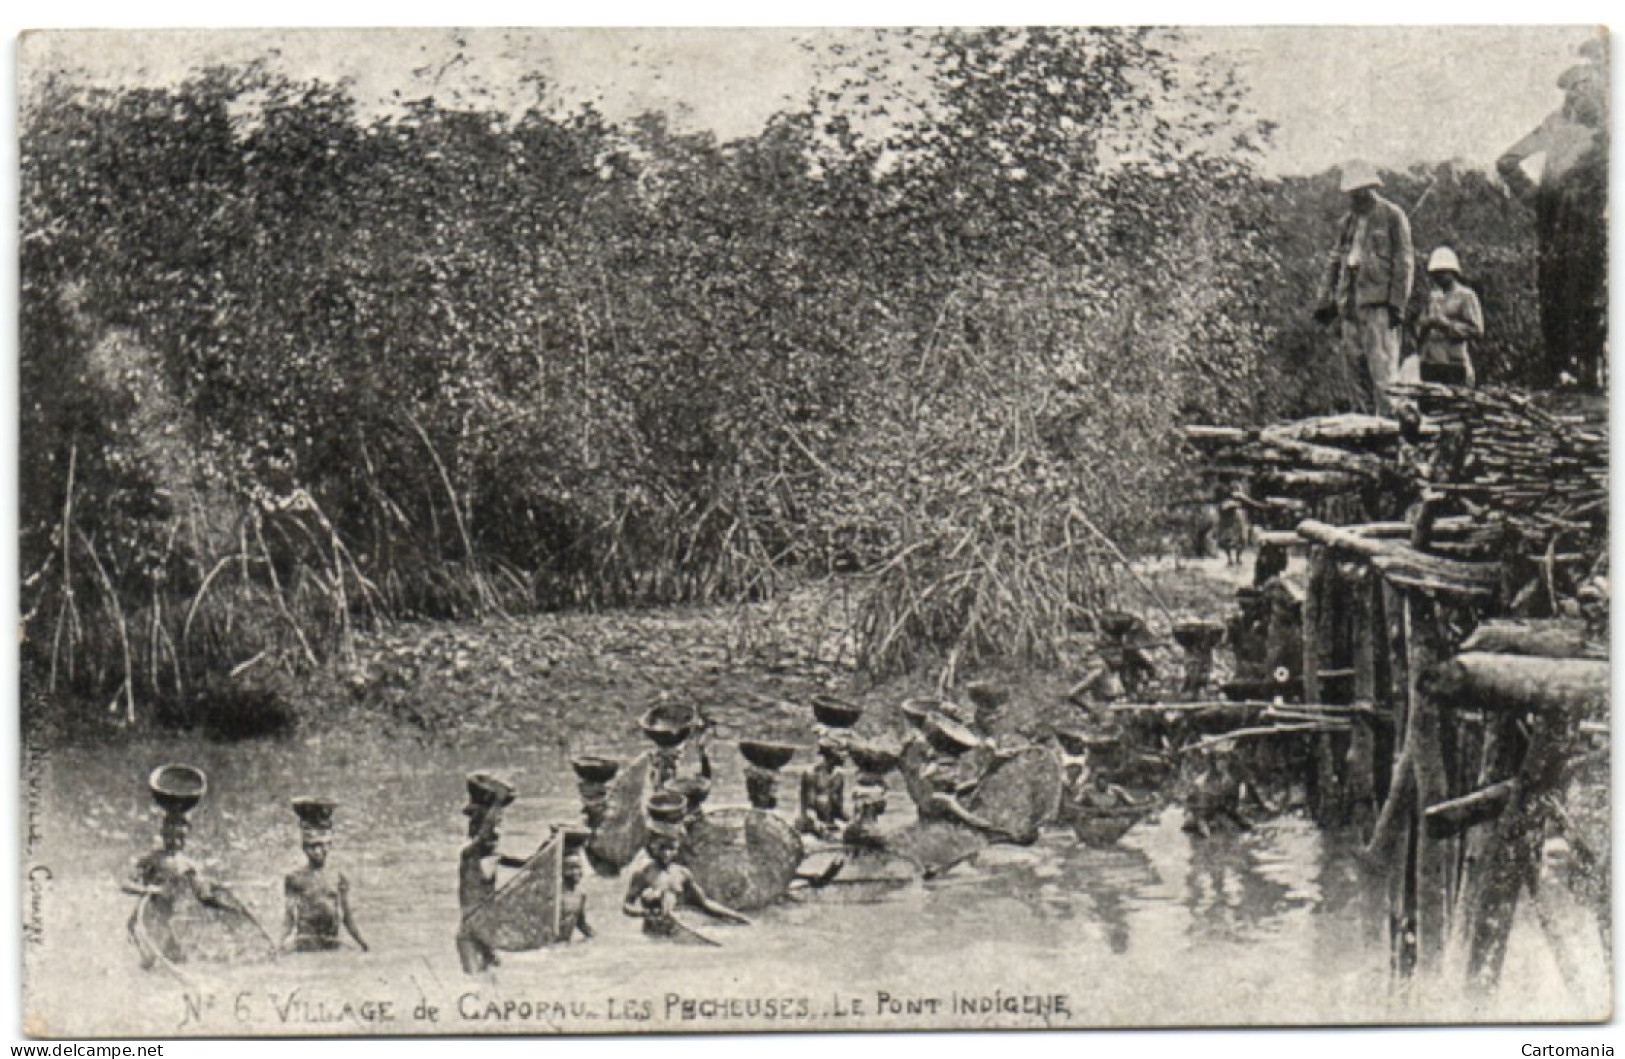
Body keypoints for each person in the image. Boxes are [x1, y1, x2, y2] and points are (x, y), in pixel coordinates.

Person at [1497, 41, 1608, 390]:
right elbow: (1507, 161)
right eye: (1576, 89)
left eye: (1589, 86)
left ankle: (1589, 373)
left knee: (1588, 297)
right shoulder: (1556, 125)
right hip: (1559, 231)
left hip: (1591, 229)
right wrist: (1537, 196)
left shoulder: (1608, 132)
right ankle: (1562, 370)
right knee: (1558, 298)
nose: (1582, 95)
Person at [1314, 160, 1415, 416]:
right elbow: (1335, 260)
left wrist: (1397, 304)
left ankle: (1390, 433)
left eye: (1360, 190)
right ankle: (1363, 433)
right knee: (1355, 375)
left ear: (1371, 187)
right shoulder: (1347, 222)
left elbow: (1404, 263)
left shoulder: (1392, 216)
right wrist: (1324, 299)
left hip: (1378, 306)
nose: (1355, 196)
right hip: (1350, 305)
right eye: (1352, 192)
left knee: (1383, 375)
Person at [123, 815, 225, 967]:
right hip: (142, 922)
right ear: (163, 834)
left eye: (181, 837)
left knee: (179, 962)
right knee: (149, 963)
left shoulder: (188, 866)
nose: (176, 842)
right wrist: (149, 890)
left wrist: (218, 898)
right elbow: (125, 884)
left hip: (166, 924)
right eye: (171, 837)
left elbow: (202, 896)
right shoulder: (152, 860)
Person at [621, 823, 750, 936]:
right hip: (654, 932)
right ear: (652, 847)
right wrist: (644, 913)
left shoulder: (682, 873)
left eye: (671, 848)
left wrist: (737, 917)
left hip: (679, 928)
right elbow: (627, 906)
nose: (666, 853)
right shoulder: (643, 874)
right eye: (662, 847)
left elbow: (704, 903)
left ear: (677, 849)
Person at [455, 774, 524, 973]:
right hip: (471, 932)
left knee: (492, 982)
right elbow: (485, 833)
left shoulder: (495, 857)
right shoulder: (469, 854)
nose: (495, 837)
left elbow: (531, 864)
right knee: (475, 982)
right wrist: (498, 803)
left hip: (486, 931)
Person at [281, 798, 368, 953]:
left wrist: (362, 943)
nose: (317, 852)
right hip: (306, 944)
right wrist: (280, 943)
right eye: (311, 847)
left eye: (321, 846)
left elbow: (347, 916)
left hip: (331, 943)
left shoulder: (338, 877)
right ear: (304, 848)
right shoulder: (294, 879)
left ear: (329, 846)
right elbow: (289, 918)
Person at [1412, 247, 1484, 387]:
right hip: (1430, 362)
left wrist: (1445, 324)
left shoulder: (1466, 296)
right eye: (1435, 273)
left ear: (1453, 272)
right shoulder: (1433, 297)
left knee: (1454, 405)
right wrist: (1425, 325)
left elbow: (1476, 330)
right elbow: (1419, 328)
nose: (1438, 277)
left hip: (1453, 363)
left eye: (1442, 272)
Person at [798, 737, 848, 839]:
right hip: (811, 824)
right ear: (832, 753)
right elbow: (809, 808)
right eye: (841, 752)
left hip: (830, 823)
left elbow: (839, 810)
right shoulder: (811, 773)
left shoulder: (838, 776)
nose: (845, 756)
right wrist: (818, 827)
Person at [558, 849, 595, 944]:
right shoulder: (555, 894)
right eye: (571, 868)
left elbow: (580, 923)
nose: (577, 872)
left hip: (565, 944)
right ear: (561, 870)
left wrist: (593, 936)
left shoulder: (580, 896)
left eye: (579, 867)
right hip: (552, 945)